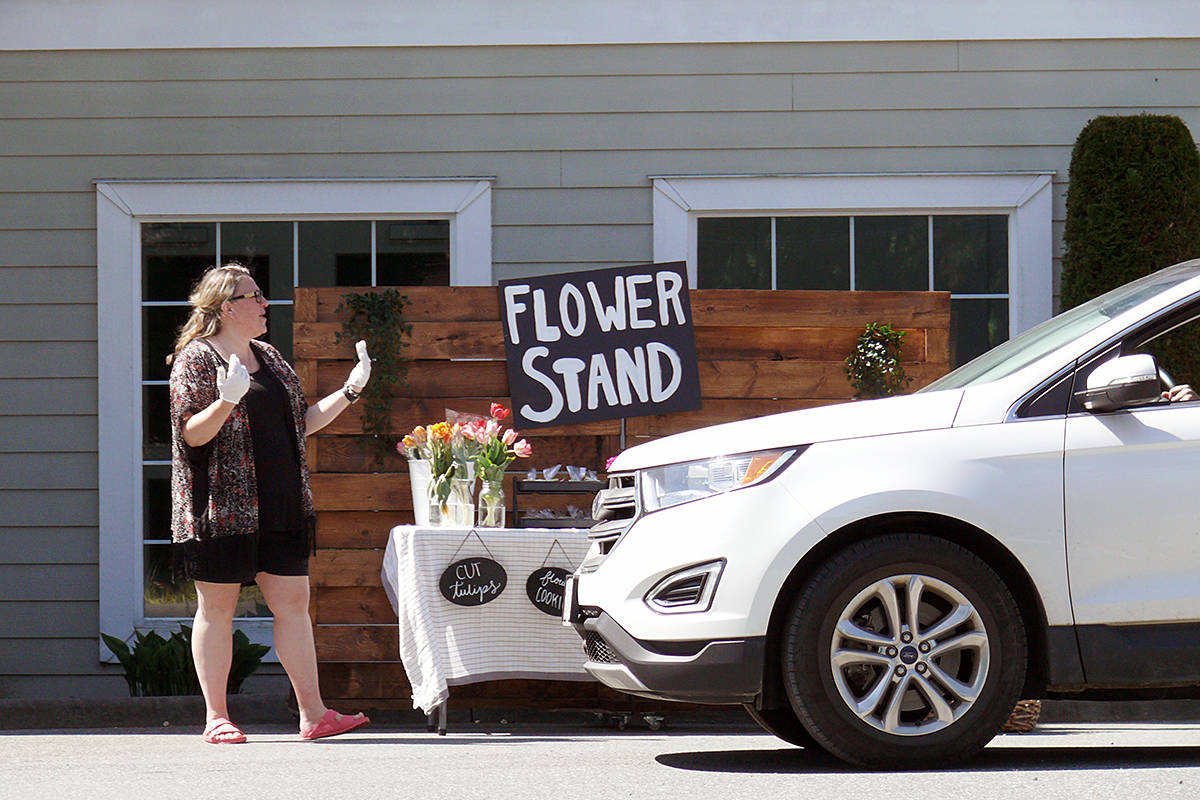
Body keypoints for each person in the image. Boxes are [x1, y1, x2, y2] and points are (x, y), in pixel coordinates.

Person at [167, 263, 372, 744]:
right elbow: (190, 435)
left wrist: (350, 390)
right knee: (218, 609)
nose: (264, 304)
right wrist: (224, 401)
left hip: (281, 504)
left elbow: (300, 422)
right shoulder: (196, 360)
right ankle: (216, 717)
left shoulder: (270, 357)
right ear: (226, 307)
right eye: (254, 295)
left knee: (293, 604)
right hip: (221, 507)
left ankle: (314, 714)